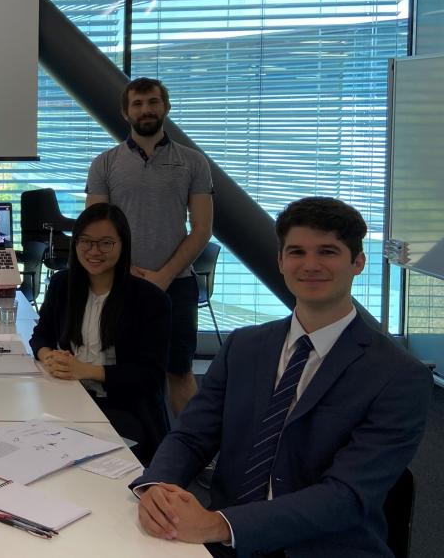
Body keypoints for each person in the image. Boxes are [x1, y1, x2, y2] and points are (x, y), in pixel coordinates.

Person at [132, 197, 432, 558]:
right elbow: (191, 435)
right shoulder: (243, 346)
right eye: (296, 252)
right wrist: (156, 487)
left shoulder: (399, 376)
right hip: (222, 541)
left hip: (323, 547)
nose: (310, 265)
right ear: (280, 261)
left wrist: (220, 525)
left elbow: (346, 495)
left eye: (328, 251)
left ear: (358, 263)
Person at [85, 77, 214, 416]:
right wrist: (124, 272)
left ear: (165, 108)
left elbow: (202, 229)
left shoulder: (193, 162)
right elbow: (94, 231)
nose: (146, 109)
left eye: (153, 102)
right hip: (117, 285)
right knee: (116, 369)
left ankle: (191, 458)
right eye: (138, 104)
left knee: (179, 371)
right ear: (125, 113)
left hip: (176, 286)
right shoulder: (105, 163)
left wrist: (164, 277)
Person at [31, 203, 171, 464]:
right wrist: (47, 354)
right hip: (65, 396)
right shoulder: (63, 283)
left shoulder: (150, 300)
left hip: (122, 409)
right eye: (85, 242)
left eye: (106, 243)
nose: (94, 251)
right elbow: (41, 334)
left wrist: (86, 370)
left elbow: (150, 376)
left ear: (122, 245)